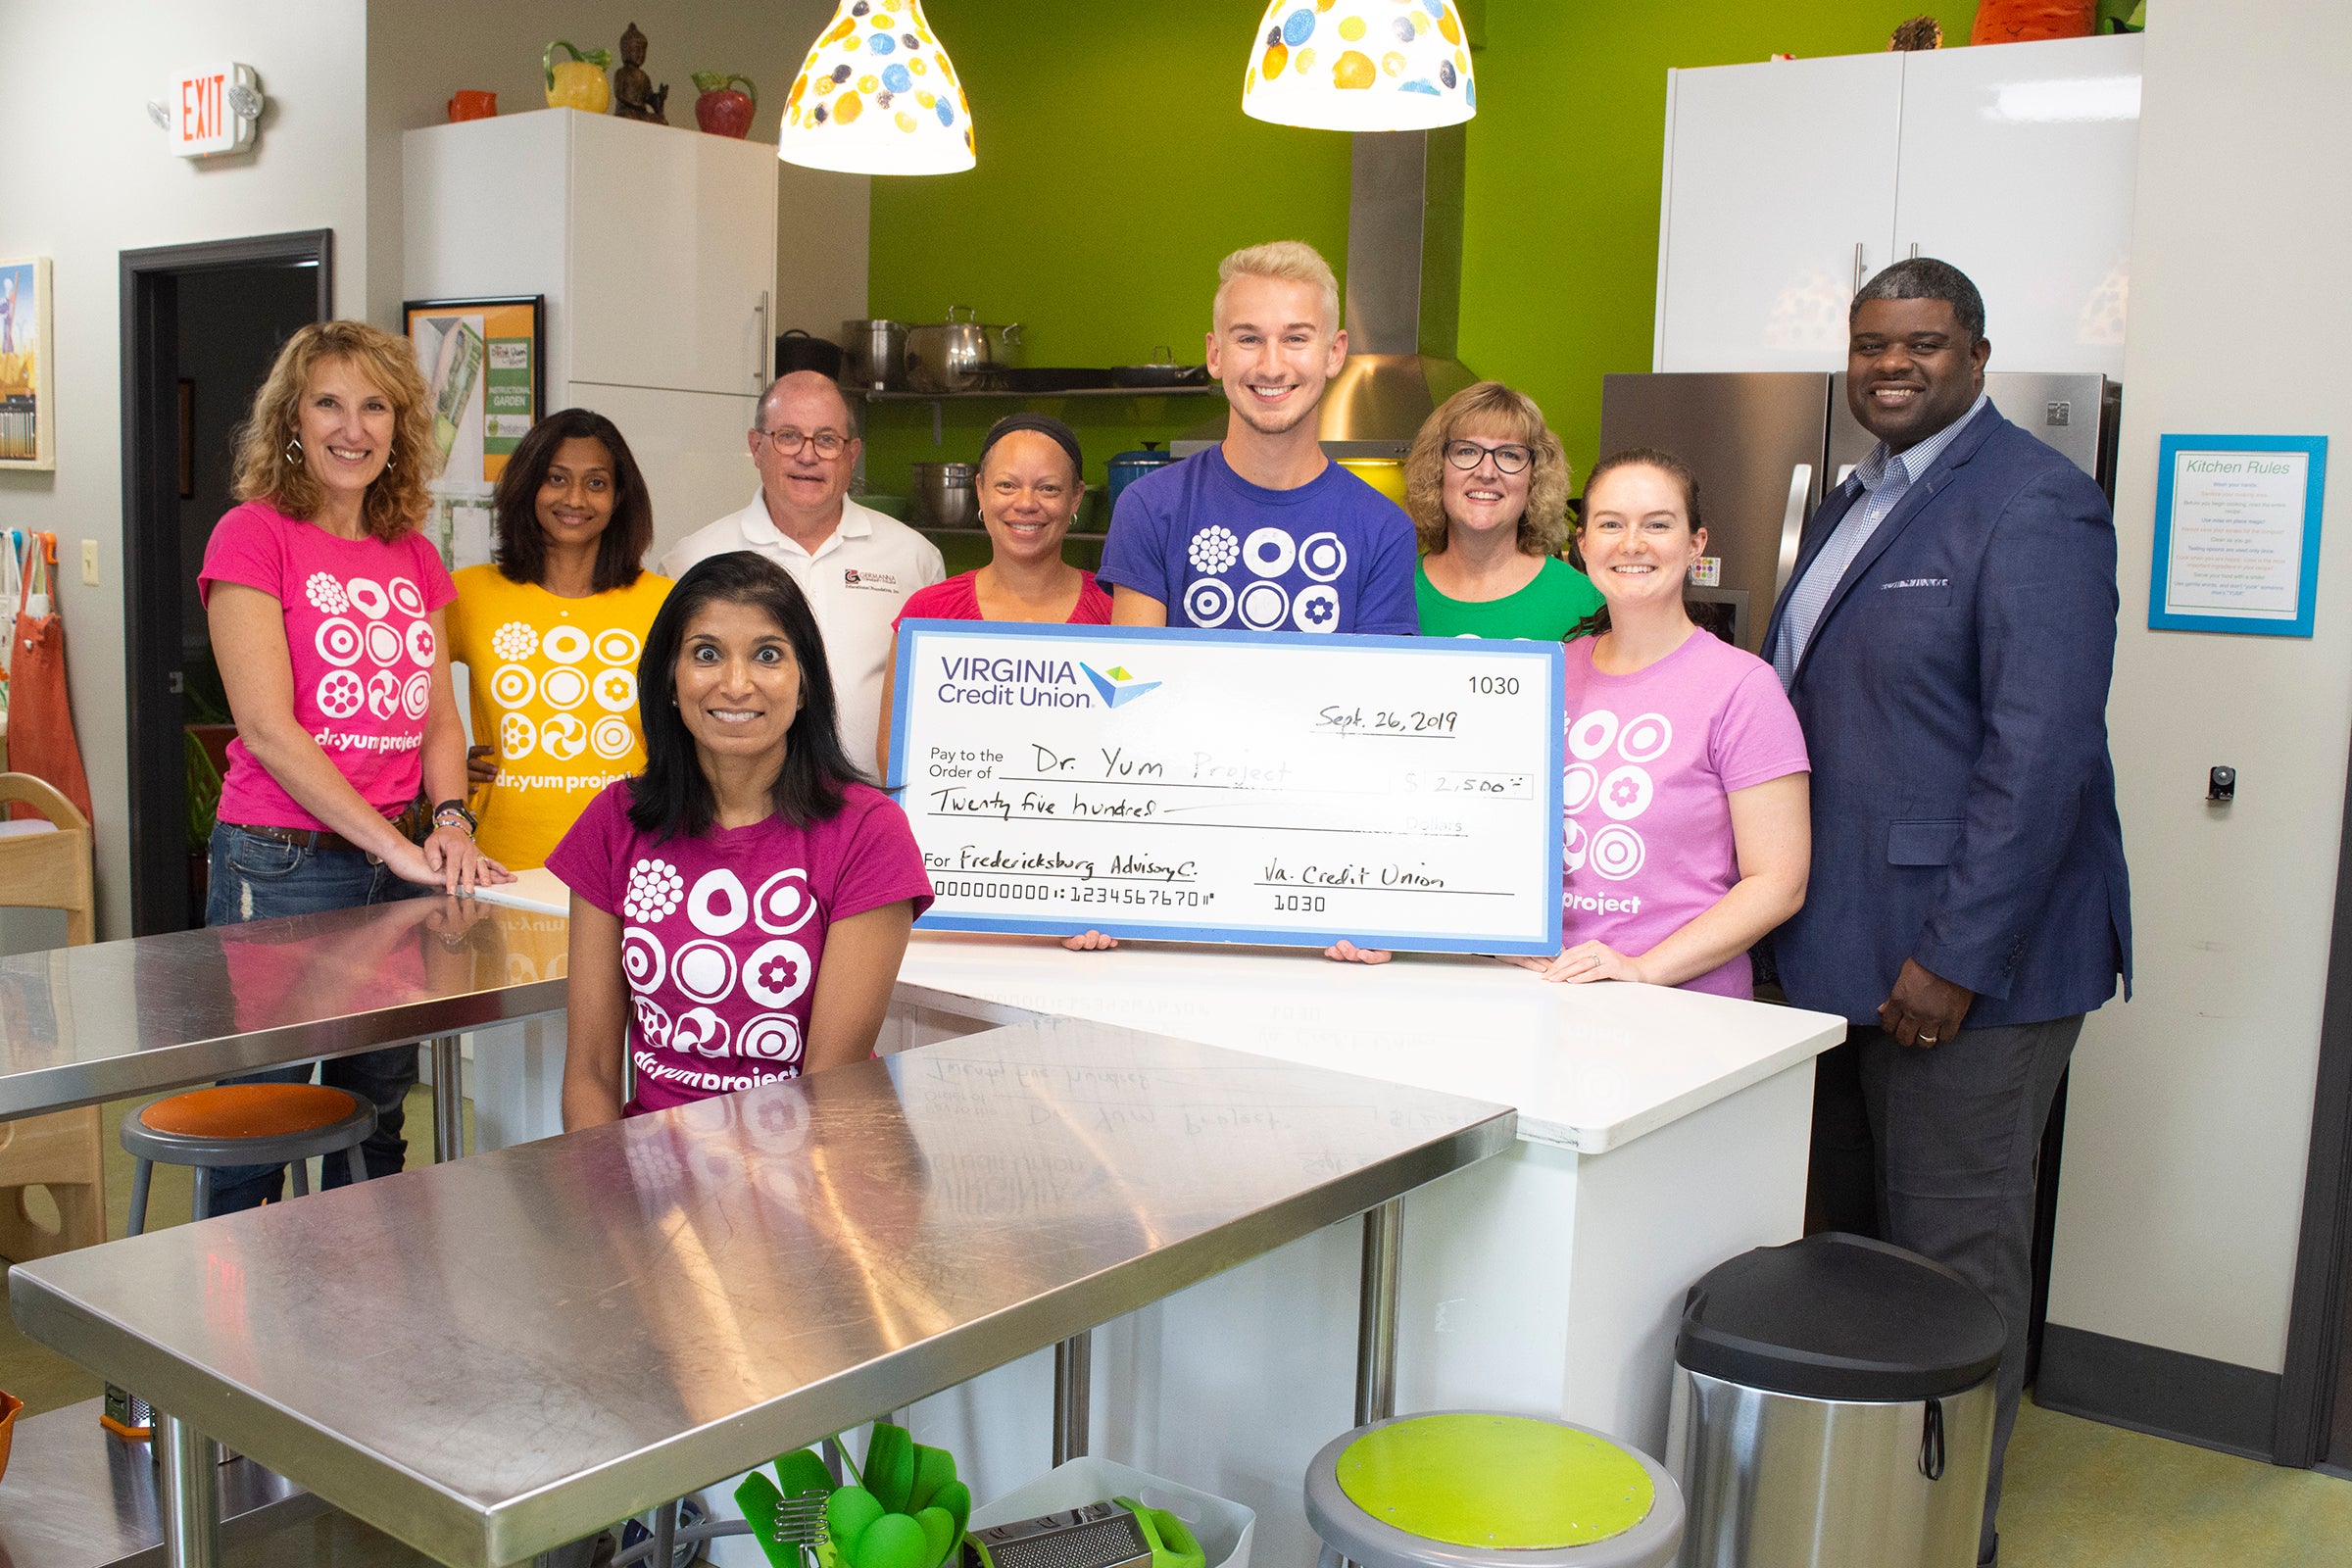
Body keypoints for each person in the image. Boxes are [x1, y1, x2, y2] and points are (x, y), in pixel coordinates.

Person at [1759, 258, 2131, 1568]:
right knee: (1851, 1260)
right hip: (1837, 955)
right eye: (1871, 343)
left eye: (1921, 342)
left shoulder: (2035, 504)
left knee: (1954, 1269)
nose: (1891, 364)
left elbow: (2040, 757)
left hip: (1969, 975)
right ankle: (1858, 1514)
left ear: (1976, 353)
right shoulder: (1863, 501)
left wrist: (1953, 960)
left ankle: (1942, 1539)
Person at [198, 319, 512, 1213]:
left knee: (377, 1108)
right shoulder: (252, 536)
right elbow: (268, 729)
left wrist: (448, 823)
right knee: (265, 1114)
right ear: (291, 419)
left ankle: (364, 1314)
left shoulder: (411, 551)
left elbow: (441, 719)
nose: (353, 427)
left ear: (399, 426)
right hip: (280, 862)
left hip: (396, 863)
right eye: (329, 403)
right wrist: (400, 847)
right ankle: (237, 1332)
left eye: (375, 406)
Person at [548, 553, 936, 1124]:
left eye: (768, 655)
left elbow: (828, 1086)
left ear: (804, 686)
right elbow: (592, 1072)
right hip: (647, 1180)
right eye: (706, 654)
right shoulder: (614, 821)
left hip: (806, 1179)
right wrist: (612, 1202)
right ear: (670, 682)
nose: (735, 684)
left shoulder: (868, 833)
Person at [1504, 449, 1810, 996]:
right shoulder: (1545, 673)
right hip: (1546, 991)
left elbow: (1779, 883)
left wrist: (1645, 969)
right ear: (1582, 545)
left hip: (1680, 1006)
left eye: (1658, 524)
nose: (1632, 543)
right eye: (1611, 524)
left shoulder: (1743, 688)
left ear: (1696, 544)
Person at [1098, 241, 1417, 636]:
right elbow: (1135, 682)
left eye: (1296, 338)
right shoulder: (1149, 507)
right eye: (1249, 339)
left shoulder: (1384, 531)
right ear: (1215, 355)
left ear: (1334, 353)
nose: (1271, 366)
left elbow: (1373, 694)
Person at [661, 369, 944, 774]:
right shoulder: (691, 560)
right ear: (756, 447)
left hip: (873, 810)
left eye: (827, 440)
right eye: (788, 436)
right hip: (732, 815)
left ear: (852, 453)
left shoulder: (915, 559)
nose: (807, 456)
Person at [449, 409, 671, 869]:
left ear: (619, 496)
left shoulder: (666, 602)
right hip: (498, 865)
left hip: (631, 863)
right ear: (528, 486)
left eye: (596, 483)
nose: (575, 499)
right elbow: (396, 705)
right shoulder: (468, 594)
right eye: (556, 478)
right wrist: (436, 773)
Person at [876, 414, 1109, 771]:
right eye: (1007, 486)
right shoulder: (929, 612)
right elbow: (896, 759)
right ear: (980, 489)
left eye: (1048, 488)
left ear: (1076, 498)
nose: (1026, 503)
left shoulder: (1115, 612)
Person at [1406, 381, 1604, 640]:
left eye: (1509, 455)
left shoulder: (1586, 602)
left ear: (1535, 477)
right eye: (1467, 451)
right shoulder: (1393, 592)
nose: (1486, 472)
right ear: (1437, 469)